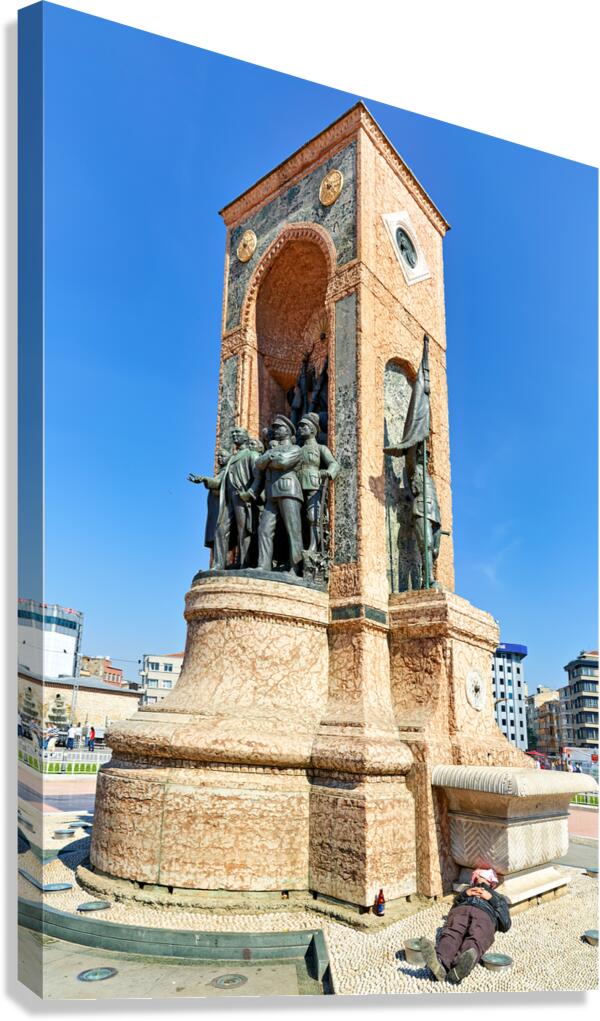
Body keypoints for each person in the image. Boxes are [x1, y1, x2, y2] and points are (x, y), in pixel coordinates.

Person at [420, 867, 511, 984]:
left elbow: (506, 924)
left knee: (478, 937)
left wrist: (492, 899)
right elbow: (452, 909)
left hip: (486, 915)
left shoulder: (498, 897)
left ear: (491, 882)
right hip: (461, 910)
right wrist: (464, 895)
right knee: (452, 932)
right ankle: (440, 964)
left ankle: (459, 969)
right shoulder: (467, 890)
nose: (478, 878)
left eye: (481, 875)